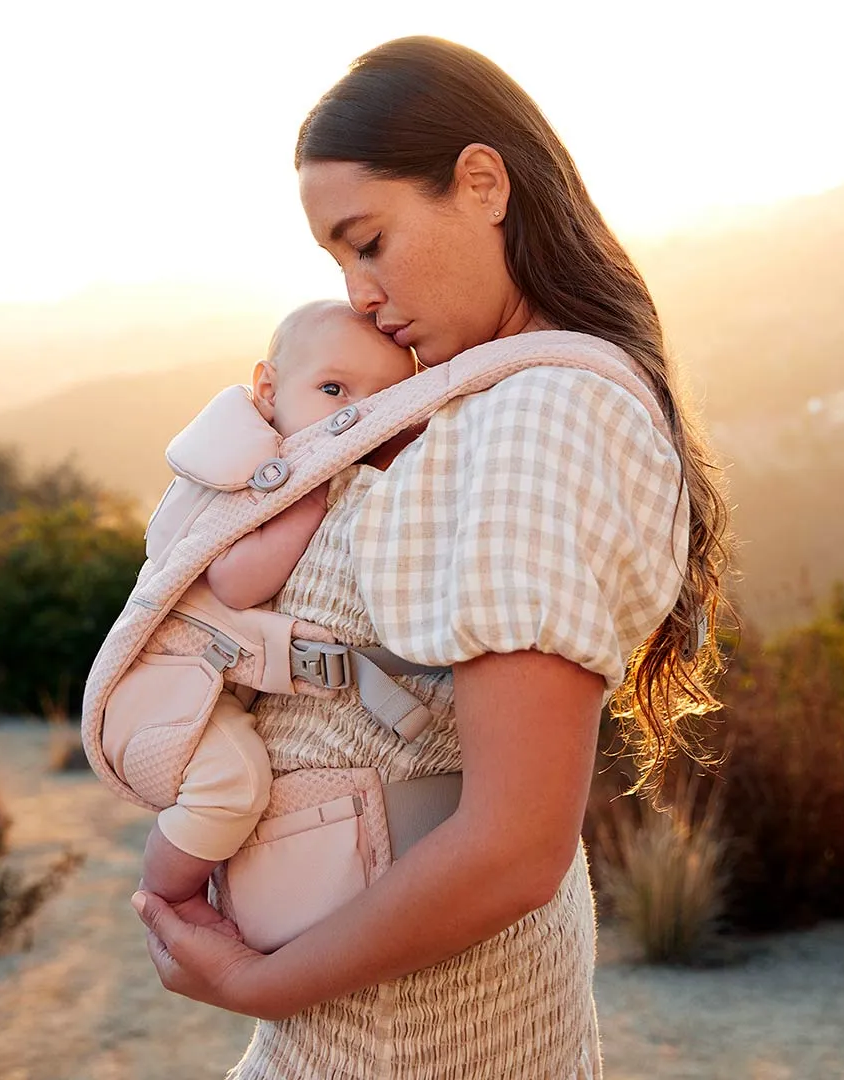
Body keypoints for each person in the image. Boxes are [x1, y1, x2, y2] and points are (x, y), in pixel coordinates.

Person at [130, 36, 729, 1079]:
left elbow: (511, 847)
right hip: (368, 1020)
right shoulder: (477, 406)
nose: (359, 294)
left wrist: (255, 982)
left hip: (422, 1037)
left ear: (483, 183)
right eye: (336, 261)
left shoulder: (541, 416)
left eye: (369, 241)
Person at [132, 299, 415, 923]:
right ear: (268, 389)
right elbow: (234, 583)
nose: (355, 414)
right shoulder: (266, 476)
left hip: (221, 681)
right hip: (167, 681)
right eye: (333, 388)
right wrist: (310, 497)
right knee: (228, 788)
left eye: (386, 400)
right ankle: (167, 902)